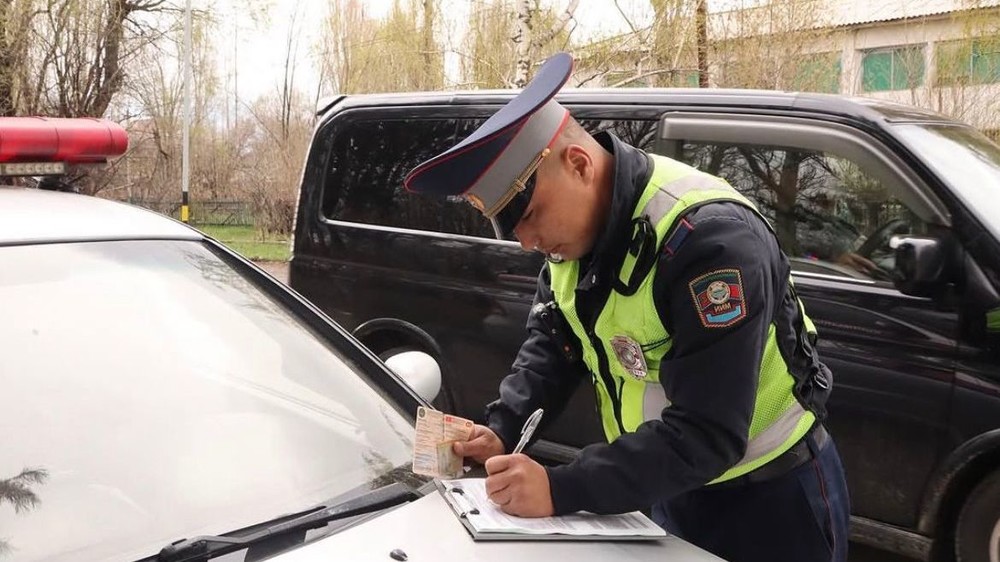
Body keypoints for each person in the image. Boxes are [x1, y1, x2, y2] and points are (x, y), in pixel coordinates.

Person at [404, 52, 850, 562]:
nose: (526, 242)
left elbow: (709, 432)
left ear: (579, 165)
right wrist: (503, 429)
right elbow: (556, 345)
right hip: (668, 486)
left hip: (772, 503)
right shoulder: (573, 240)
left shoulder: (708, 243)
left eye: (530, 215)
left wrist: (562, 488)